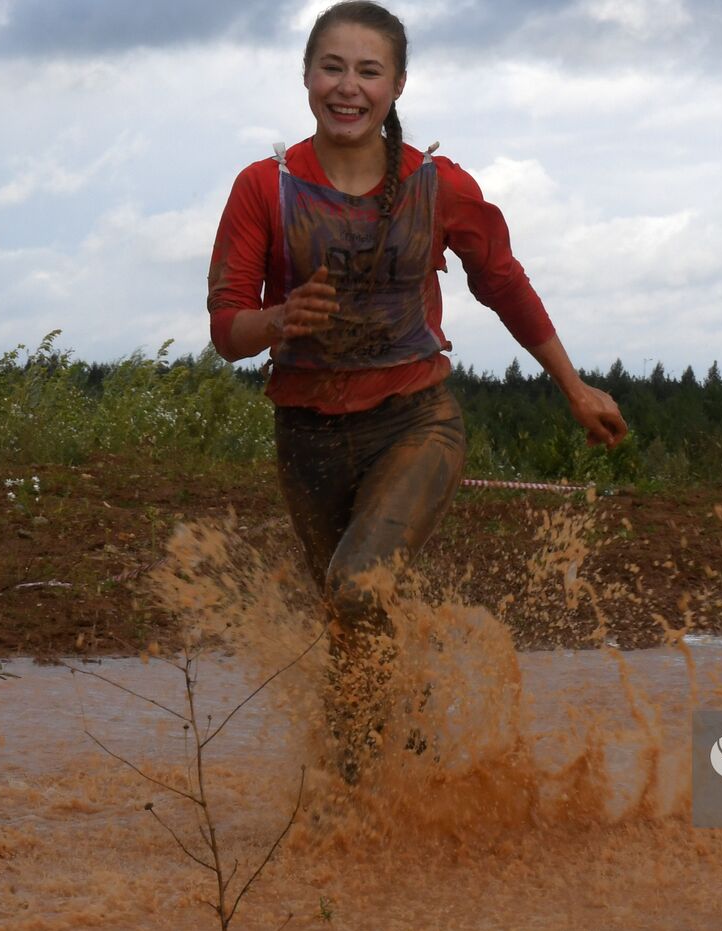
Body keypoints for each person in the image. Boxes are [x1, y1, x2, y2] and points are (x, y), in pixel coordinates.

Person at [206, 1, 627, 780]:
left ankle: (388, 749)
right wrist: (279, 318)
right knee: (349, 621)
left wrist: (573, 387)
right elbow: (225, 329)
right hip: (306, 437)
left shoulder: (440, 186)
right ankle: (373, 787)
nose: (348, 87)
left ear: (397, 86)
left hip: (415, 422)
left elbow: (502, 282)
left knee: (357, 586)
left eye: (369, 71)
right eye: (332, 67)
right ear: (305, 77)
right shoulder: (263, 187)